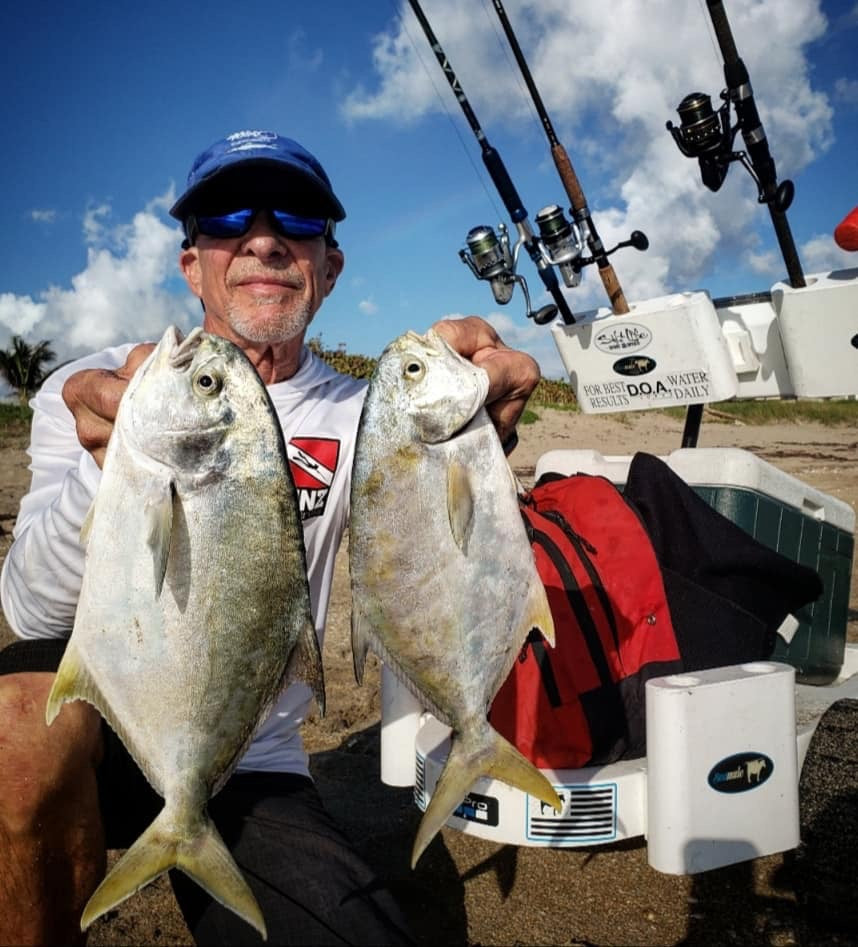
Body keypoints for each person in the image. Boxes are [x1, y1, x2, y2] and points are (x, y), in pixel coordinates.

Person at [0, 129, 540, 946]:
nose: (262, 236)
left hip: (248, 754)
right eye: (223, 216)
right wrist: (105, 465)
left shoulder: (372, 417)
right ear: (192, 265)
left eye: (298, 216)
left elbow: (437, 548)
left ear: (330, 267)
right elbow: (28, 608)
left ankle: (198, 831)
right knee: (14, 737)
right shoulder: (97, 390)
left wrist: (471, 435)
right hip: (102, 728)